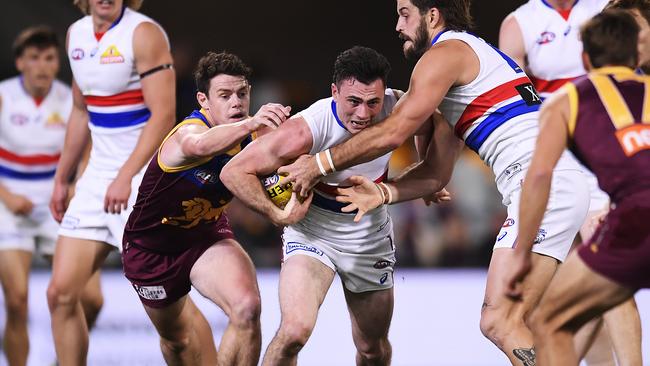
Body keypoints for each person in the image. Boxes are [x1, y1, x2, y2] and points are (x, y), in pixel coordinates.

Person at [278, 1, 594, 365]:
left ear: (432, 16)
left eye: (404, 13)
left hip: (543, 187)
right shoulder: (469, 67)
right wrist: (382, 192)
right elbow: (436, 174)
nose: (398, 25)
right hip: (558, 184)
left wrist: (317, 164)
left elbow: (393, 130)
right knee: (522, 321)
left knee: (500, 321)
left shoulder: (444, 54)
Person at [221, 46, 448, 366]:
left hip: (368, 234)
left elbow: (431, 128)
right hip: (312, 233)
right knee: (293, 333)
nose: (363, 114)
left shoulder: (398, 108)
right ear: (334, 92)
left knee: (372, 348)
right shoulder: (307, 129)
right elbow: (233, 171)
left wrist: (422, 175)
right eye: (353, 101)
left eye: (373, 102)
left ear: (384, 93)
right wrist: (276, 213)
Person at [122, 51, 300, 365]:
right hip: (151, 248)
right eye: (225, 95)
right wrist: (252, 122)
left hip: (205, 236)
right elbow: (200, 147)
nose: (237, 102)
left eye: (242, 94)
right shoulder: (188, 134)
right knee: (177, 342)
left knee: (247, 308)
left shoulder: (253, 135)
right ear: (204, 100)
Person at [499, 1, 642, 364]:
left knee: (553, 315)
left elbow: (539, 176)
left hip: (602, 182)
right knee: (587, 299)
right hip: (596, 173)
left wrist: (520, 255)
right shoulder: (521, 22)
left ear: (587, 59)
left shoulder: (566, 102)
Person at [46, 0, 176, 364]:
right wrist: (61, 178)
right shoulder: (77, 34)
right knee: (60, 294)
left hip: (142, 181)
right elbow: (79, 109)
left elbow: (164, 114)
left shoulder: (143, 33)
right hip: (96, 181)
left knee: (170, 321)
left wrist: (125, 176)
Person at [0, 25, 98, 366]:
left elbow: (88, 148)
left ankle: (65, 359)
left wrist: (76, 183)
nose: (42, 66)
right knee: (17, 300)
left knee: (93, 299)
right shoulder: (4, 95)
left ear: (59, 63)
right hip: (9, 208)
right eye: (34, 58)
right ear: (20, 63)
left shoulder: (70, 99)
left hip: (58, 206)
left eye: (49, 58)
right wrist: (7, 196)